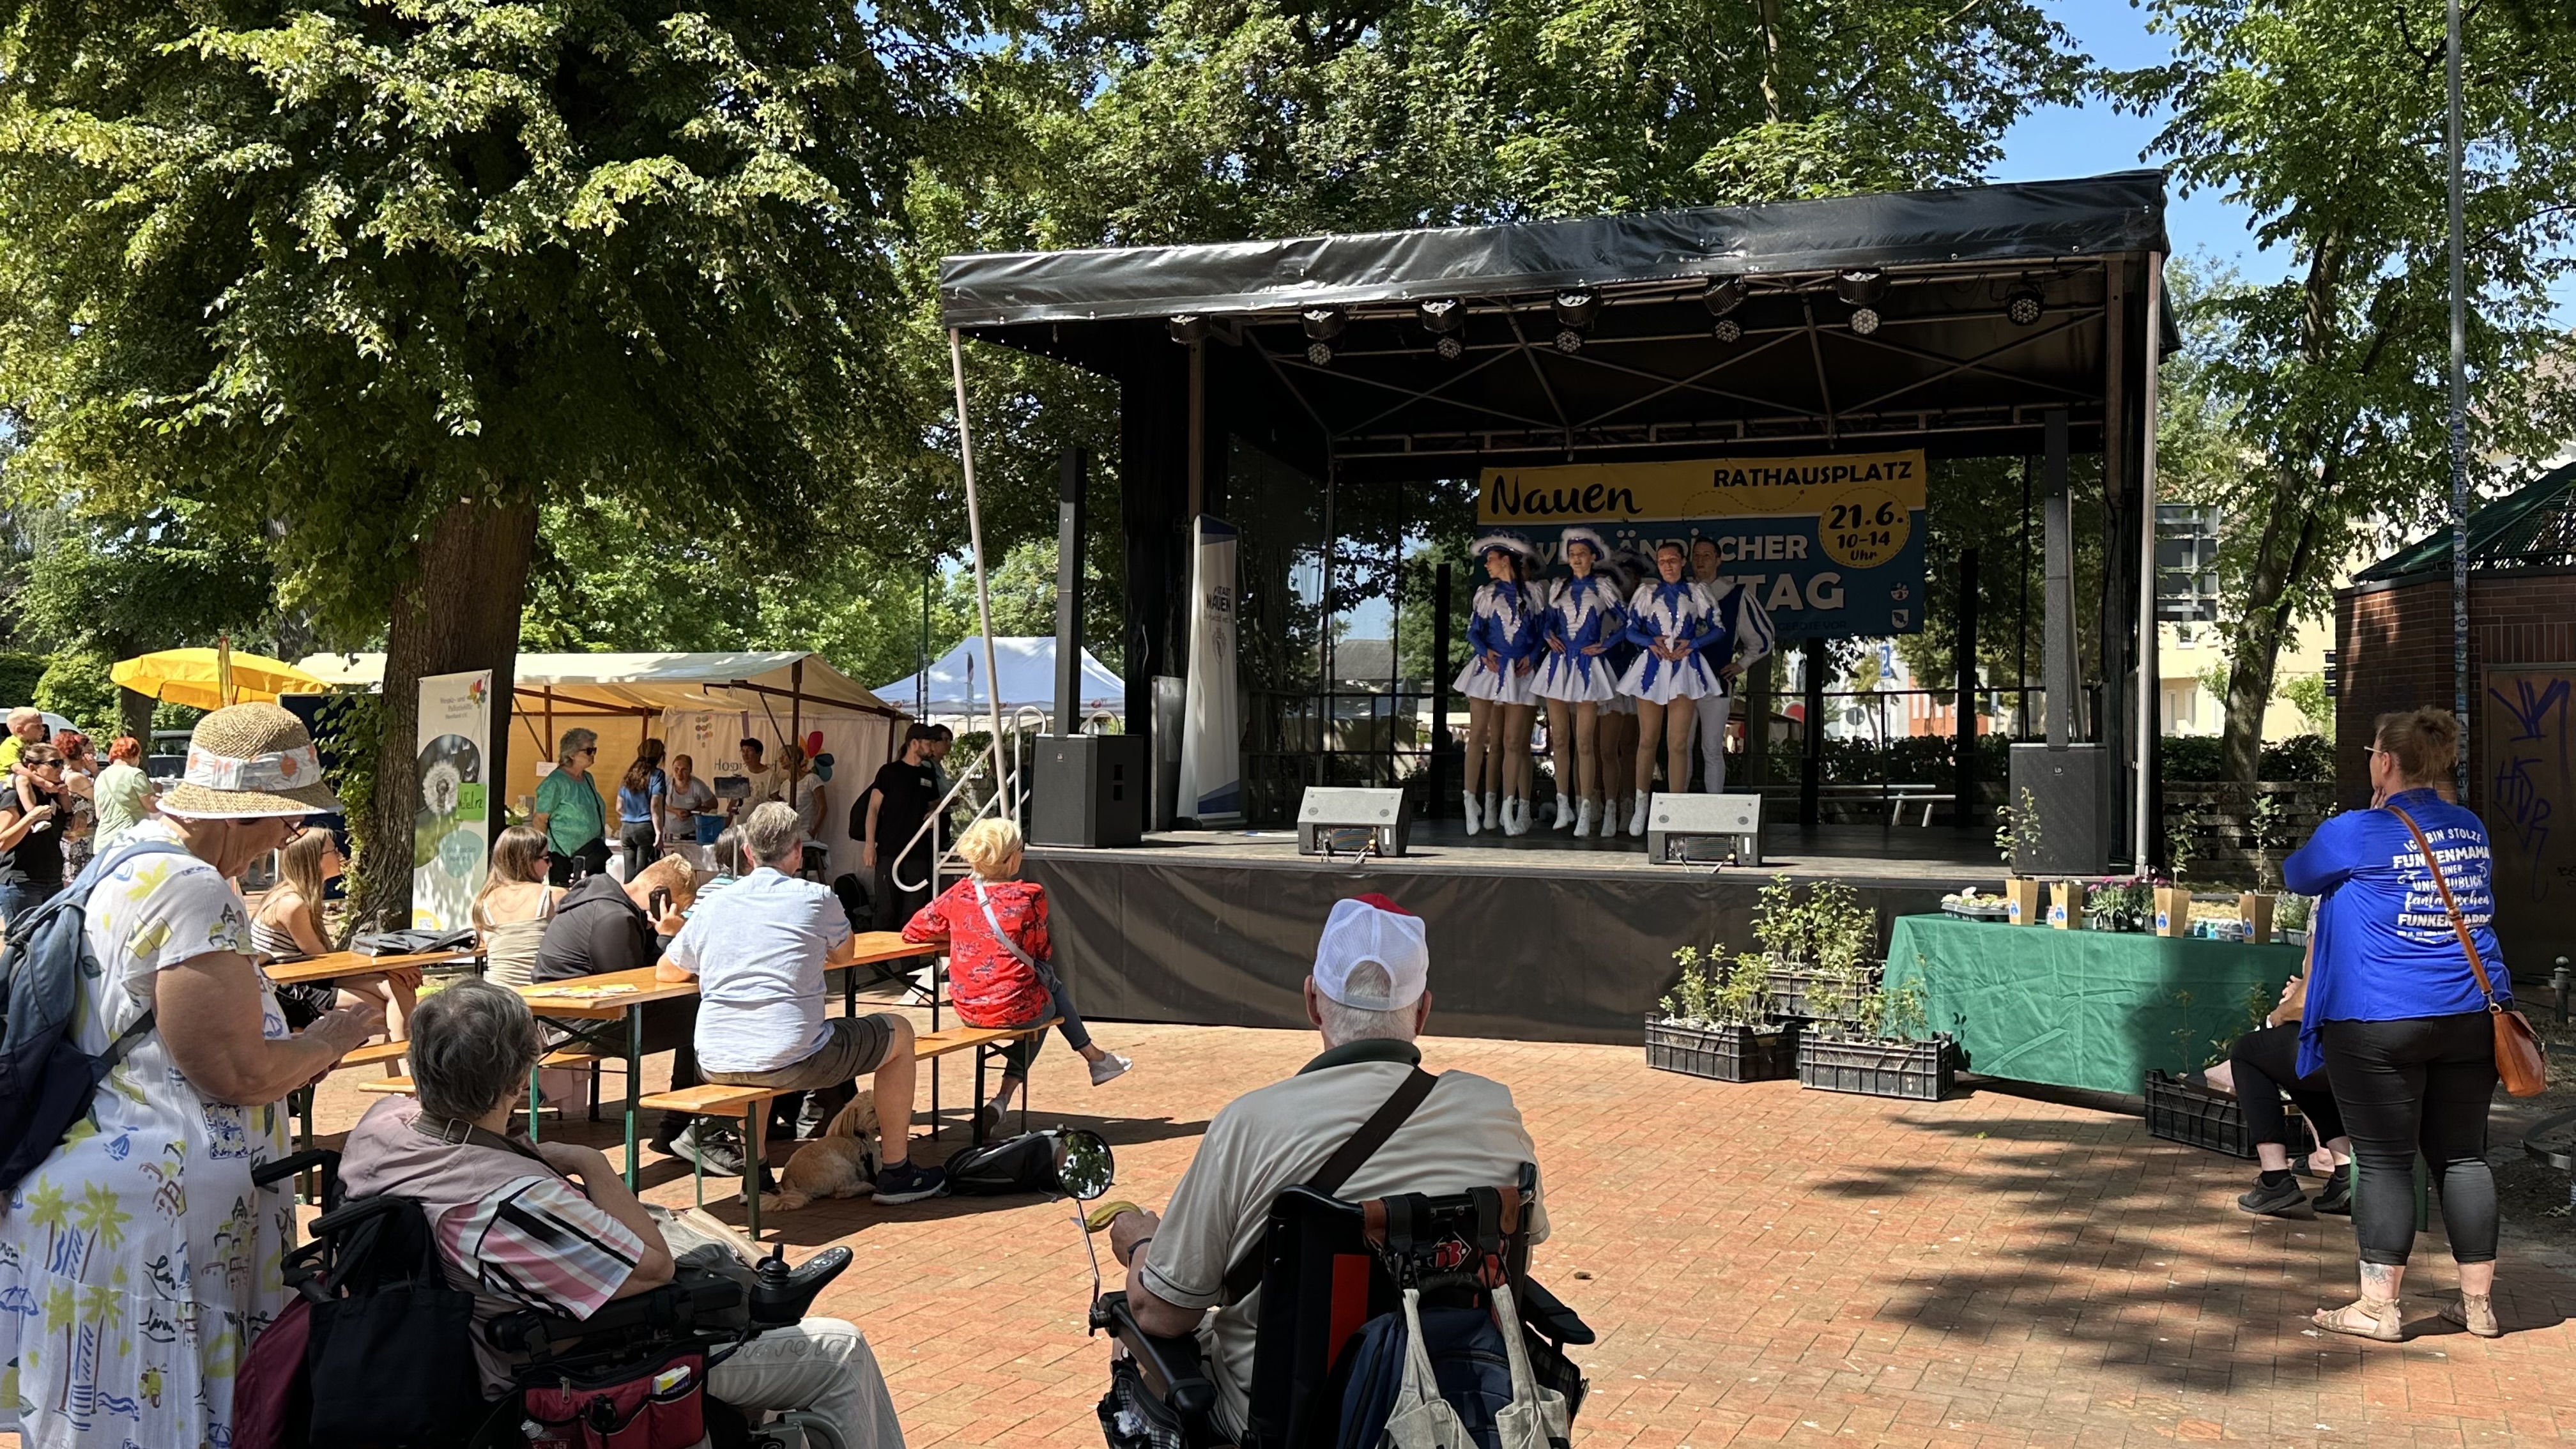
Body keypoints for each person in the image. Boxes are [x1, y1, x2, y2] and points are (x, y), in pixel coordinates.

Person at [0, 703, 379, 1449]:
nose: (288, 836)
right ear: (242, 816)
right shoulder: (198, 892)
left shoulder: (123, 856)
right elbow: (235, 1073)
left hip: (97, 1196)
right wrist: (335, 1036)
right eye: (287, 819)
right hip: (159, 1223)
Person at [335, 980, 907, 1449]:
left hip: (445, 1336)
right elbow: (652, 1269)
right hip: (557, 1367)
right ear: (516, 1081)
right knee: (838, 1349)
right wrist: (590, 1163)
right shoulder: (509, 1202)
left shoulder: (382, 1125)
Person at [1100, 894, 1547, 1432]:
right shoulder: (1494, 1110)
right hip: (1462, 1416)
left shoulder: (1250, 1123)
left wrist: (1142, 1244)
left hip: (1293, 1427)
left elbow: (1163, 1313)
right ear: (1422, 1011)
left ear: (1313, 1001)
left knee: (1140, 1344)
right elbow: (1524, 1246)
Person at [2285, 707, 2508, 1341]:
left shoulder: (2357, 831)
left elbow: (2296, 874)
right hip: (2471, 1011)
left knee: (2383, 1162)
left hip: (2377, 1017)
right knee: (2465, 1157)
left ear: (2384, 761)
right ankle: (2478, 1306)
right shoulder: (2468, 827)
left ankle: (2378, 1308)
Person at [659, 801, 946, 1204]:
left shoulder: (714, 904)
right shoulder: (817, 897)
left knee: (759, 1054)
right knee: (899, 1032)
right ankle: (897, 1170)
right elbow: (844, 955)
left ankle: (756, 1177)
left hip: (715, 1058)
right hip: (792, 1056)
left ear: (747, 852)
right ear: (797, 851)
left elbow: (666, 971)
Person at [903, 818, 1131, 1134]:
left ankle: (1093, 1060)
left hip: (969, 1009)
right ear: (1011, 859)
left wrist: (962, 930)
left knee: (1046, 990)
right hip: (1015, 1009)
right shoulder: (1029, 896)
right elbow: (1042, 951)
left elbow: (914, 930)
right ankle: (1012, 1093)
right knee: (1049, 997)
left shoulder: (960, 894)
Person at [533, 852, 724, 1169]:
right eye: (679, 907)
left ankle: (678, 1126)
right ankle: (686, 1127)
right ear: (660, 897)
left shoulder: (601, 901)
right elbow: (636, 990)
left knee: (699, 1009)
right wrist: (666, 938)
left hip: (566, 1019)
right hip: (577, 1028)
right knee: (709, 1012)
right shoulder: (614, 919)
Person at [250, 825, 420, 1039]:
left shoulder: (299, 895)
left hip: (308, 978)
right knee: (382, 1005)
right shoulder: (292, 904)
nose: (341, 855)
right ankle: (403, 1065)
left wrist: (389, 969)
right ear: (314, 860)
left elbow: (328, 958)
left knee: (399, 985)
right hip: (291, 992)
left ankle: (403, 1068)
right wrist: (387, 969)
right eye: (334, 850)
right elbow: (327, 965)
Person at [1619, 540, 1719, 837]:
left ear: (1683, 561)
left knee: (1677, 743)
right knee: (1648, 740)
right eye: (1662, 561)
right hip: (1652, 668)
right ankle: (1641, 806)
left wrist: (1694, 644)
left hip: (1685, 668)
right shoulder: (1647, 593)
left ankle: (1676, 809)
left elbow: (1718, 628)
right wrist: (1652, 642)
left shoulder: (1696, 592)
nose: (1667, 566)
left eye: (1673, 560)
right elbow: (1629, 630)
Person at [1531, 526, 1624, 839]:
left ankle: (1587, 806)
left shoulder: (1603, 587)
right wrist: (1547, 635)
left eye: (1582, 554)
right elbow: (1546, 622)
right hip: (1559, 664)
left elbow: (1626, 622)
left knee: (1585, 741)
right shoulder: (1559, 587)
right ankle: (1564, 803)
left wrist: (1606, 644)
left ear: (1593, 557)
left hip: (1588, 662)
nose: (1576, 559)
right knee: (1559, 740)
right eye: (1572, 555)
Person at [1451, 530, 1544, 837]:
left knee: (1515, 743)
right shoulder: (1486, 593)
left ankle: (1508, 807)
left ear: (1506, 560)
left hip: (1519, 672)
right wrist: (1484, 652)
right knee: (1478, 735)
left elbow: (1540, 633)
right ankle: (1471, 803)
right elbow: (1473, 631)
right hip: (1488, 669)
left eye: (1491, 560)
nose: (1487, 565)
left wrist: (1531, 656)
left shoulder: (1532, 594)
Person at [1686, 535, 1777, 796]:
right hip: (1681, 681)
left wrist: (1743, 663)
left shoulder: (1734, 594)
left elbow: (1762, 635)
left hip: (1716, 680)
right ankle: (1678, 806)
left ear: (1718, 560)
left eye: (1707, 555)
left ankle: (1714, 807)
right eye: (1697, 556)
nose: (1701, 560)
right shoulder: (1681, 592)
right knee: (1680, 745)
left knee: (1711, 748)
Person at [861, 724, 942, 931]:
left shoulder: (928, 775)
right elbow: (872, 809)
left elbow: (932, 804)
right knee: (886, 908)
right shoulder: (889, 772)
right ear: (914, 743)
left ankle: (910, 961)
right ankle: (880, 958)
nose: (932, 748)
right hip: (890, 849)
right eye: (929, 742)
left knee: (914, 910)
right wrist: (870, 845)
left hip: (919, 852)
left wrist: (937, 811)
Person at [1593, 549, 1648, 837]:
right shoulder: (1602, 605)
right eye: (1622, 576)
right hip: (1603, 678)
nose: (1626, 581)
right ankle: (1598, 800)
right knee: (1598, 746)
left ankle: (1629, 803)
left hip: (1632, 678)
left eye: (1631, 576)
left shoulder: (1641, 607)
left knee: (1630, 747)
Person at [471, 823, 560, 989]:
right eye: (546, 858)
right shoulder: (553, 896)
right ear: (527, 860)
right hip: (542, 994)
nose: (550, 865)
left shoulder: (480, 904)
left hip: (498, 998)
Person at [0, 742, 73, 922]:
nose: (60, 768)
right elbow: (2, 842)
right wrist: (31, 817)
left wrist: (75, 820)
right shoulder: (15, 795)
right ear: (33, 768)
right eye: (55, 763)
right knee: (24, 943)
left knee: (49, 941)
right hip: (22, 882)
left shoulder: (53, 794)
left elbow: (57, 833)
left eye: (62, 763)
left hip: (53, 879)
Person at [532, 726, 610, 884]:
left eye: (594, 749)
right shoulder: (556, 782)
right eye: (588, 750)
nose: (593, 754)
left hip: (592, 856)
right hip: (565, 860)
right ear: (571, 753)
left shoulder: (588, 778)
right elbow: (539, 820)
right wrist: (546, 854)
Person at [91, 732, 157, 852]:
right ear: (134, 755)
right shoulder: (135, 774)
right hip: (128, 841)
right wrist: (157, 791)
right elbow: (152, 806)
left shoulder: (101, 777)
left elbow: (99, 815)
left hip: (103, 844)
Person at [615, 737, 668, 880]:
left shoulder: (628, 775)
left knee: (629, 875)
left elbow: (619, 807)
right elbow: (655, 806)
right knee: (643, 875)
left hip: (626, 827)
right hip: (645, 827)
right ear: (660, 756)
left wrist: (631, 815)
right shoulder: (658, 775)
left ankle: (626, 900)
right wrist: (658, 832)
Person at [49, 729, 97, 874]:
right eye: (90, 751)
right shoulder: (75, 778)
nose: (94, 755)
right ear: (81, 754)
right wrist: (95, 771)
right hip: (81, 839)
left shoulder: (69, 775)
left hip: (81, 835)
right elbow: (102, 797)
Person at [664, 750, 718, 848]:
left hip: (692, 835)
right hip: (669, 835)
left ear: (690, 771)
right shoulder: (666, 783)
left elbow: (713, 806)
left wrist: (691, 812)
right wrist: (675, 811)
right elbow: (655, 803)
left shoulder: (698, 786)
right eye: (676, 769)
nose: (679, 773)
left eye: (684, 769)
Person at [732, 736, 778, 820]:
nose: (745, 754)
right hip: (741, 823)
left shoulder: (771, 776)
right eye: (743, 751)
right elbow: (733, 803)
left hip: (760, 823)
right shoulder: (740, 775)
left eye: (749, 750)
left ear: (759, 753)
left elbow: (776, 802)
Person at [0, 704, 46, 772]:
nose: (43, 729)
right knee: (23, 780)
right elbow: (18, 769)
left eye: (42, 725)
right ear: (19, 730)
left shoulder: (32, 745)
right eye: (37, 726)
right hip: (6, 780)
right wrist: (45, 783)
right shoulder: (11, 745)